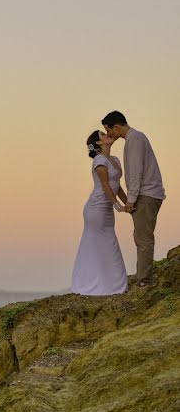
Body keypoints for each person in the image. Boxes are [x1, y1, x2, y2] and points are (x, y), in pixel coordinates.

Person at [102, 111, 166, 287]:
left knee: (143, 237)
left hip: (146, 194)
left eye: (109, 131)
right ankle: (142, 276)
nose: (109, 135)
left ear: (117, 127)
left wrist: (130, 200)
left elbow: (136, 172)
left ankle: (144, 280)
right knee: (141, 236)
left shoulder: (135, 139)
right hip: (146, 194)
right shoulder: (133, 139)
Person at [71, 130, 129, 296]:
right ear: (98, 143)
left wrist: (129, 204)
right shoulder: (99, 160)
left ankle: (112, 284)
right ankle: (90, 284)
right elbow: (105, 186)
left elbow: (117, 186)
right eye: (103, 135)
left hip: (107, 208)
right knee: (95, 245)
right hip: (96, 209)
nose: (107, 135)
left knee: (109, 242)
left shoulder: (115, 160)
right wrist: (117, 206)